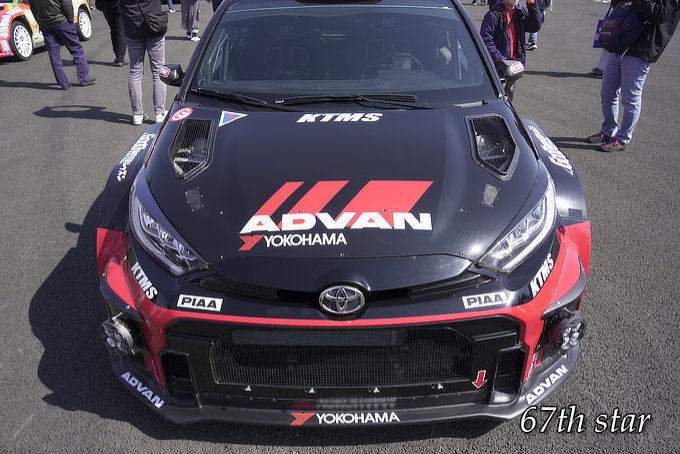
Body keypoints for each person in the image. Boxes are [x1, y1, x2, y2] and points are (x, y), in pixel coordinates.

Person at [587, 0, 680, 152]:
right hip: (620, 41)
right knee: (607, 92)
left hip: (641, 49)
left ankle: (623, 138)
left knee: (630, 96)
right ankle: (608, 131)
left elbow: (658, 14)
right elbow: (616, 4)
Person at [480, 0, 542, 101]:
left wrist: (531, 3)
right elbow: (486, 42)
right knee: (495, 98)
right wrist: (502, 62)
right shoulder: (493, 15)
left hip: (514, 66)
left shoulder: (520, 13)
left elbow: (535, 25)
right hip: (497, 67)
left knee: (509, 98)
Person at [28, 0, 95, 90]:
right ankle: (84, 78)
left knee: (54, 56)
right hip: (61, 21)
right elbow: (66, 3)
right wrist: (70, 18)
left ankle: (63, 83)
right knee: (76, 50)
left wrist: (40, 22)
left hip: (45, 24)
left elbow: (33, 8)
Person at [120, 0, 168, 124]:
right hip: (154, 25)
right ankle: (159, 113)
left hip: (132, 29)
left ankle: (137, 114)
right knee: (158, 71)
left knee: (135, 72)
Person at [96, 0, 128, 66]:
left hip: (105, 5)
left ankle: (118, 56)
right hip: (118, 5)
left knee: (113, 30)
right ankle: (120, 58)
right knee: (120, 31)